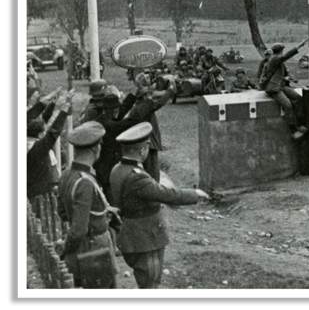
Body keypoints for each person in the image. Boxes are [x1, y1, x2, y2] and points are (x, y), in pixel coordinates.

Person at [110, 123, 210, 289]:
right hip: (146, 238)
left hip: (132, 236)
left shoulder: (117, 169)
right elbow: (166, 193)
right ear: (142, 150)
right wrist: (195, 195)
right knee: (150, 283)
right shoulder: (137, 177)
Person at [56, 121, 118, 289]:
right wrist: (66, 246)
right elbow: (79, 230)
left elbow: (62, 212)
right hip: (93, 250)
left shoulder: (67, 175)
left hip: (81, 251)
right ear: (94, 149)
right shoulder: (85, 181)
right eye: (100, 145)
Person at [123, 71, 176, 182]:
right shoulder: (145, 106)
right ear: (144, 95)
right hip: (149, 143)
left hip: (145, 142)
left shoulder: (138, 106)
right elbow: (160, 102)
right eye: (148, 94)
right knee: (153, 175)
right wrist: (170, 91)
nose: (150, 96)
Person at [27, 88, 71, 200]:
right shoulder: (37, 149)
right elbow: (53, 133)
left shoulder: (29, 141)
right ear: (41, 134)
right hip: (41, 195)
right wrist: (64, 109)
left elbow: (35, 120)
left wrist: (51, 103)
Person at [261, 40, 308, 140]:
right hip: (274, 89)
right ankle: (293, 130)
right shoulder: (274, 59)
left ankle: (299, 123)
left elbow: (283, 73)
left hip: (281, 86)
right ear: (280, 51)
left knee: (297, 98)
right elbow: (286, 56)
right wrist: (298, 46)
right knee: (288, 104)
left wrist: (288, 78)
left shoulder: (277, 60)